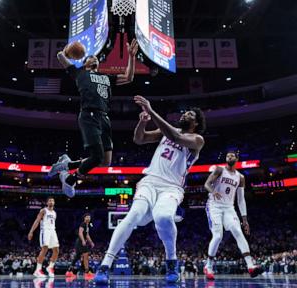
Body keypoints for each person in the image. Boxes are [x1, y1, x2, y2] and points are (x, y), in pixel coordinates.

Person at [94, 95, 206, 284]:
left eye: (190, 114)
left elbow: (176, 137)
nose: (185, 114)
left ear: (196, 123)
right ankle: (105, 265)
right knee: (132, 215)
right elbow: (139, 139)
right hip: (150, 181)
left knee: (163, 217)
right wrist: (142, 123)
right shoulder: (167, 131)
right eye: (185, 112)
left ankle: (171, 261)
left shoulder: (197, 139)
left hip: (172, 187)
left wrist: (151, 110)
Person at [52, 39, 138, 197]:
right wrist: (68, 52)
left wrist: (131, 57)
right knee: (97, 157)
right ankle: (69, 179)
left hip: (104, 117)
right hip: (89, 115)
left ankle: (68, 164)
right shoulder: (79, 73)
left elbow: (129, 77)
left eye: (96, 58)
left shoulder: (106, 77)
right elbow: (59, 56)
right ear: (85, 63)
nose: (94, 58)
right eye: (90, 57)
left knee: (105, 161)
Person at [203, 151, 264, 279]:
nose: (229, 157)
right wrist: (213, 191)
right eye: (227, 156)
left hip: (229, 208)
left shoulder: (240, 177)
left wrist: (245, 219)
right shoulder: (219, 170)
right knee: (218, 236)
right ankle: (208, 266)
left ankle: (250, 266)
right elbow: (207, 184)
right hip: (214, 206)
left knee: (238, 231)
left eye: (232, 156)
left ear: (237, 159)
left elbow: (241, 200)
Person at [28, 197, 59, 278]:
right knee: (44, 248)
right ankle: (38, 270)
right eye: (49, 200)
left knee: (56, 250)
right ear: (47, 202)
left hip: (53, 231)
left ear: (54, 202)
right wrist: (31, 231)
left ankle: (50, 267)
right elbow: (37, 221)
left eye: (52, 200)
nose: (51, 202)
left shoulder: (55, 213)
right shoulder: (43, 210)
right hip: (45, 231)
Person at [65, 213, 95, 280]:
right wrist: (83, 240)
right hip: (80, 242)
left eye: (89, 217)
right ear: (84, 218)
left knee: (77, 257)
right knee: (86, 255)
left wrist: (91, 242)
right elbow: (80, 233)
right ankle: (87, 272)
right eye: (87, 217)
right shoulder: (83, 224)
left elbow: (87, 235)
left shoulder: (87, 226)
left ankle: (69, 271)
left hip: (80, 242)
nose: (88, 218)